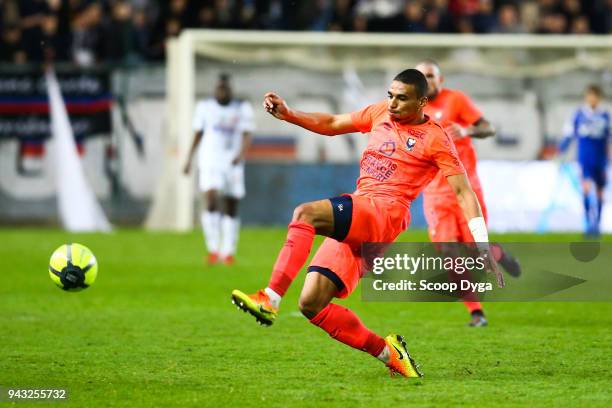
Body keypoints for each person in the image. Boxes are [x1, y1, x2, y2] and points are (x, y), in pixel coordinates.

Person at [231, 69, 504, 378]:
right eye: (390, 95)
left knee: (305, 214)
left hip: (383, 214)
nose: (393, 104)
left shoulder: (436, 138)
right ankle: (390, 354)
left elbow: (463, 192)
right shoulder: (379, 113)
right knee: (312, 304)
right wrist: (290, 114)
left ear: (422, 102)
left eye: (402, 98)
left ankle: (270, 298)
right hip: (363, 211)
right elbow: (333, 123)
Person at [416, 60, 521, 327]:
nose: (426, 81)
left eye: (430, 75)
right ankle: (476, 312)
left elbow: (489, 128)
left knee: (475, 252)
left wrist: (466, 130)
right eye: (421, 76)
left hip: (467, 191)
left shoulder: (456, 101)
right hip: (435, 195)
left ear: (441, 79)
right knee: (450, 253)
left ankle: (498, 255)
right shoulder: (412, 109)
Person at [184, 74, 254, 265]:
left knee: (231, 206)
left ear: (230, 90)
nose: (222, 92)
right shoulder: (204, 107)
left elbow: (247, 134)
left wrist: (240, 155)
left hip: (232, 162)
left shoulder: (242, 108)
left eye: (225, 89)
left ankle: (228, 251)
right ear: (215, 90)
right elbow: (198, 133)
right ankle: (213, 249)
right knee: (211, 199)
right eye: (219, 89)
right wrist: (189, 158)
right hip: (210, 161)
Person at [559, 85, 610, 237]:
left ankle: (598, 224)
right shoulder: (579, 115)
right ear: (586, 97)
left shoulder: (605, 116)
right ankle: (588, 224)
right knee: (586, 189)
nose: (592, 99)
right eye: (589, 96)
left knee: (600, 192)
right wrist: (560, 150)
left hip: (601, 159)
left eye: (595, 96)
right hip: (585, 159)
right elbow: (569, 135)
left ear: (598, 98)